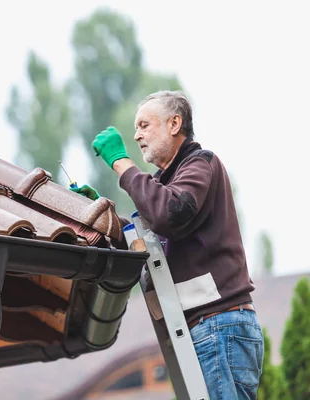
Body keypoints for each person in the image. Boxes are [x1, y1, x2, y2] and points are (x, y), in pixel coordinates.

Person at [71, 90, 263, 399]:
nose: (136, 135)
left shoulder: (200, 164)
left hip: (217, 325)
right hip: (205, 328)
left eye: (145, 125)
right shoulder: (166, 183)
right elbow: (146, 238)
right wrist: (102, 217)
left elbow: (168, 215)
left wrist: (121, 163)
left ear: (174, 123)